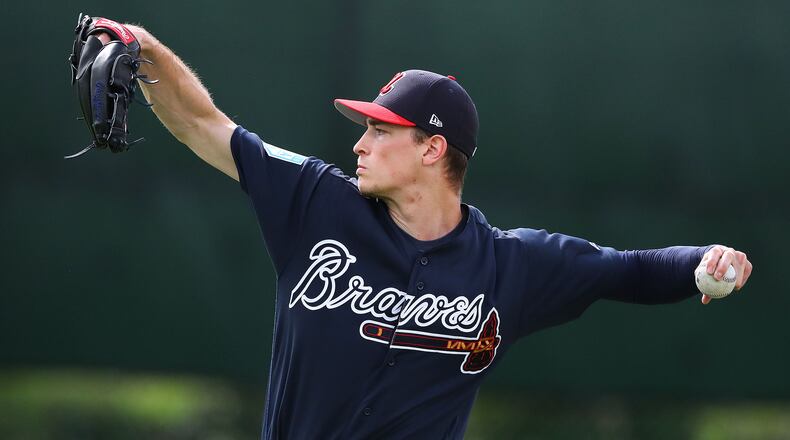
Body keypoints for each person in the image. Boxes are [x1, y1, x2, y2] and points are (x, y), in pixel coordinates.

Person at [93, 21, 753, 440]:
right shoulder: (317, 203)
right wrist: (146, 50)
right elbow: (206, 125)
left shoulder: (508, 266)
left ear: (434, 150)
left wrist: (704, 263)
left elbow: (626, 269)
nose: (361, 144)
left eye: (380, 130)